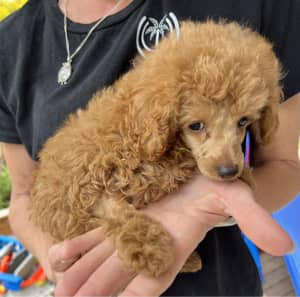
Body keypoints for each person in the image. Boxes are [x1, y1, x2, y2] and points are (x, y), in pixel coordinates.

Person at [0, 0, 299, 296]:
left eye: (242, 122)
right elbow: (24, 192)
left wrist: (218, 207)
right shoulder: (11, 43)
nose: (227, 159)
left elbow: (284, 163)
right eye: (197, 126)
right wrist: (63, 259)